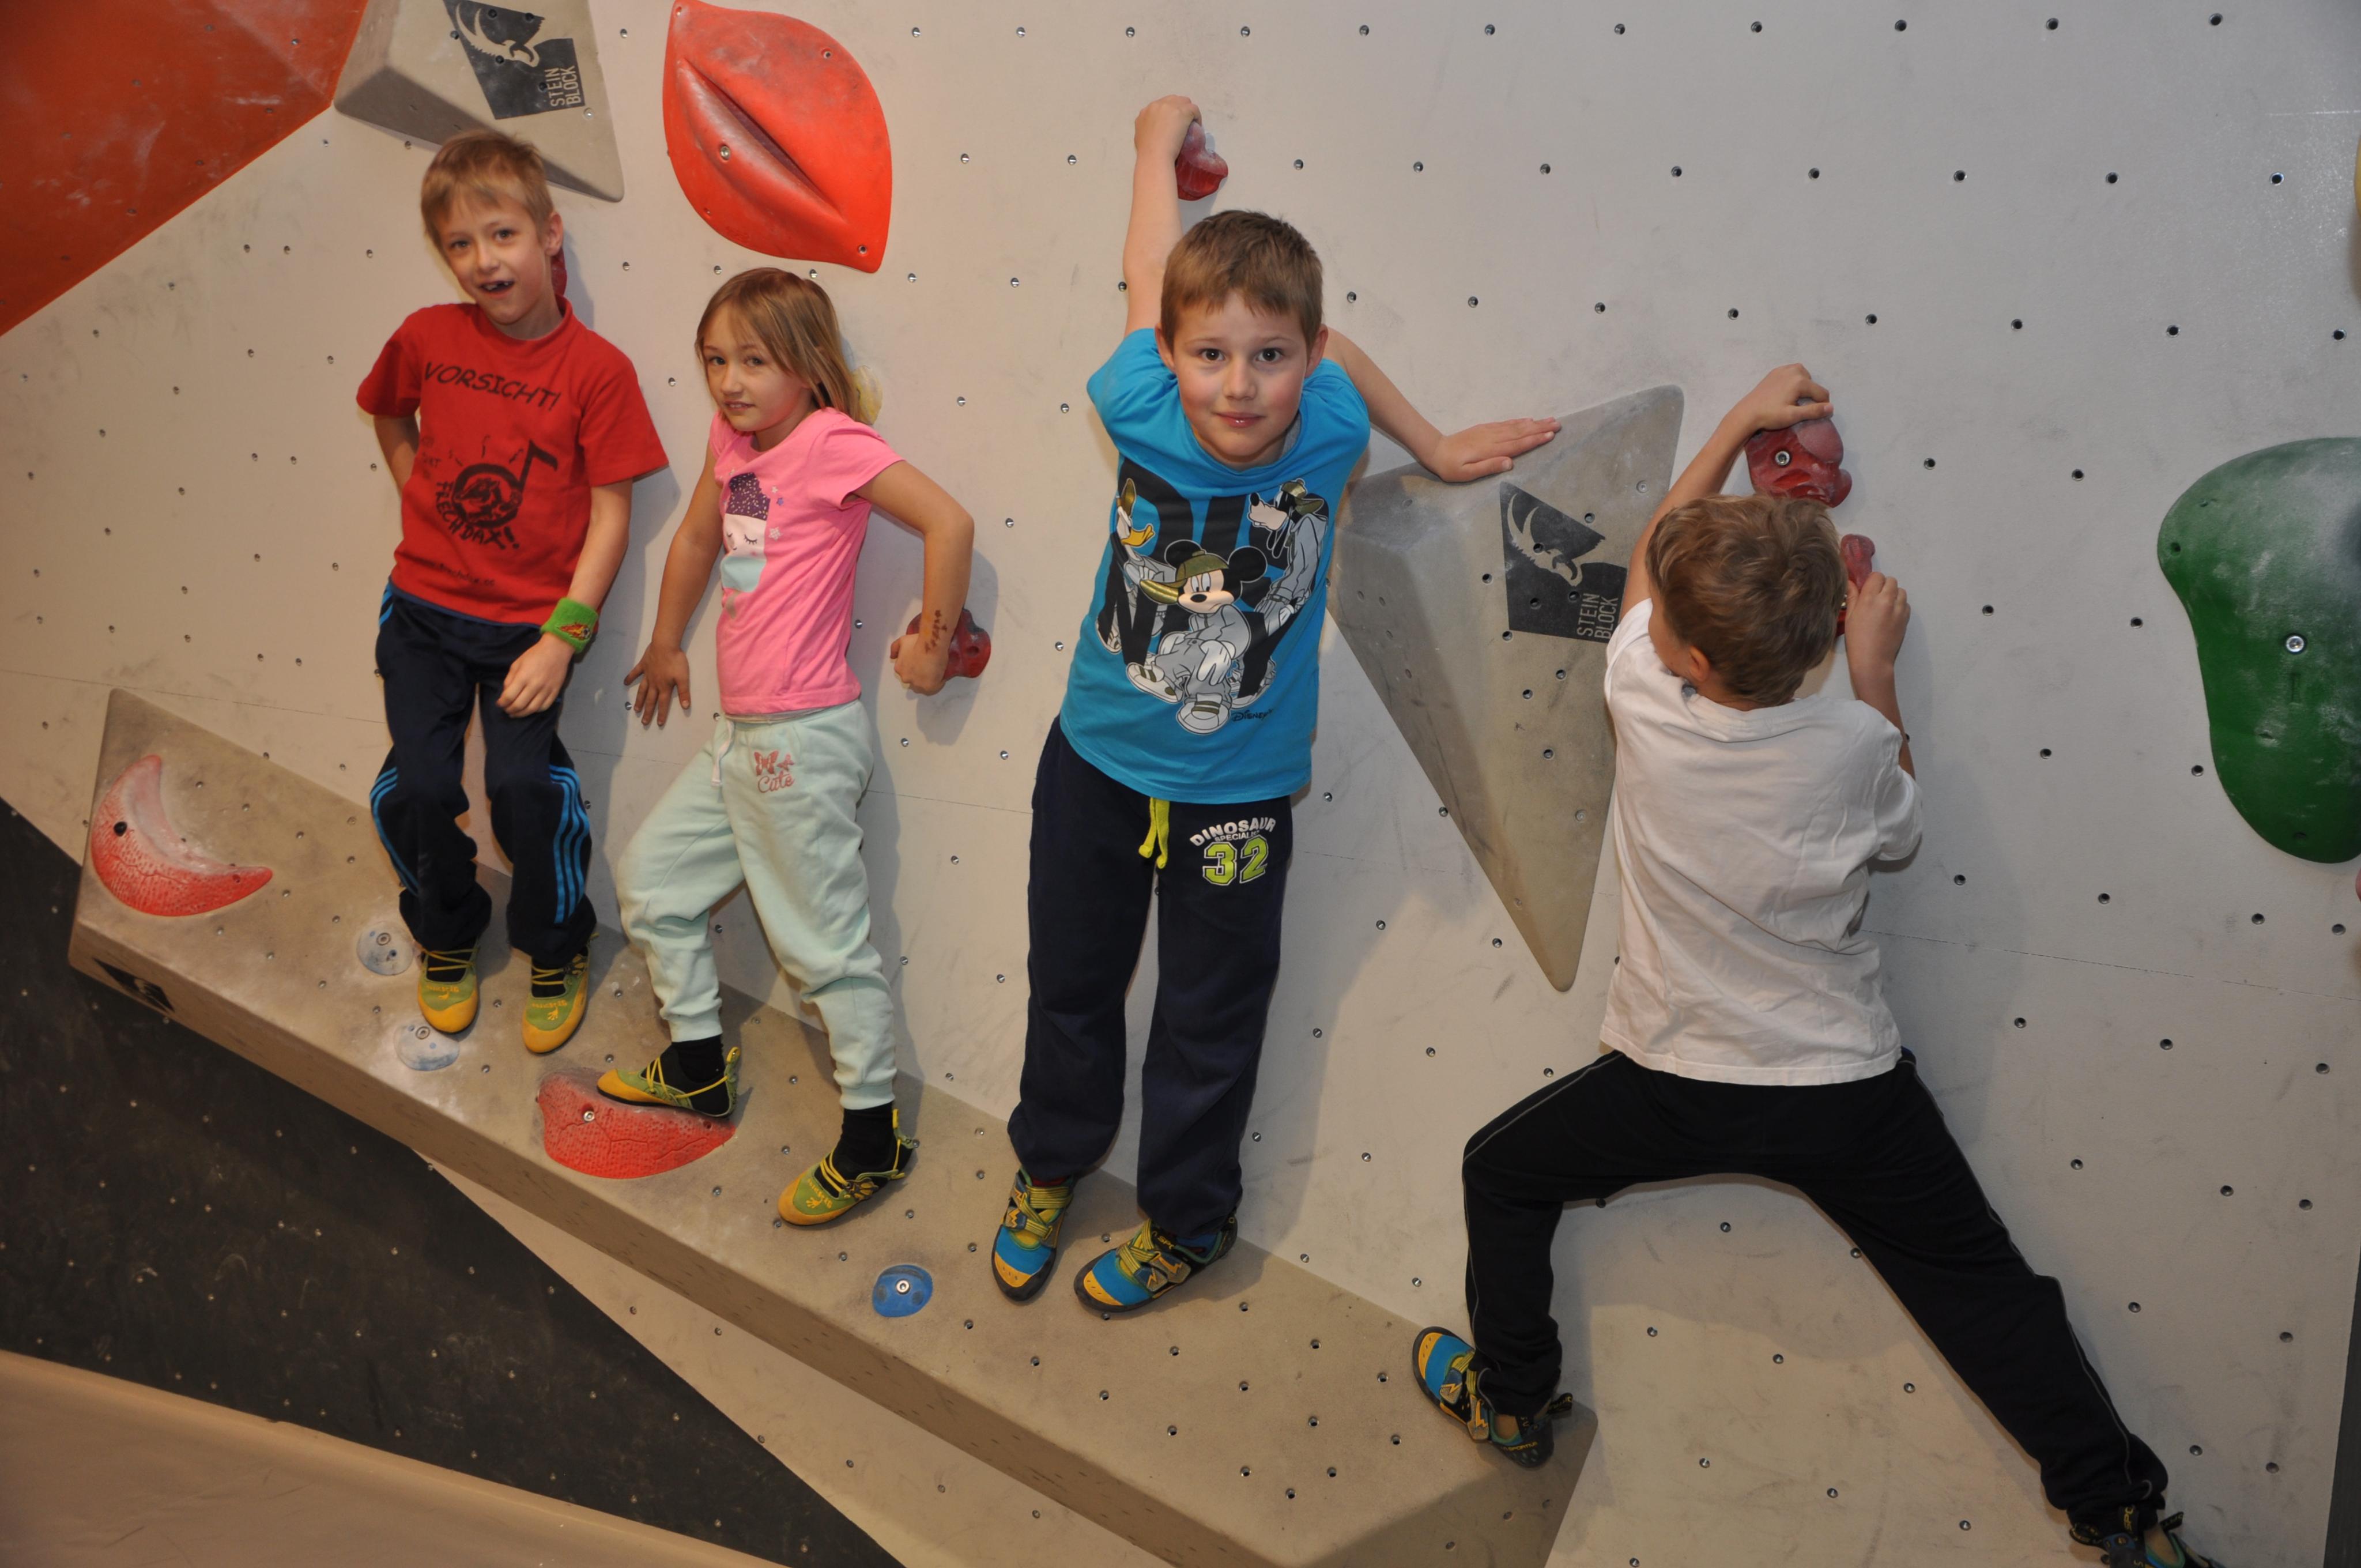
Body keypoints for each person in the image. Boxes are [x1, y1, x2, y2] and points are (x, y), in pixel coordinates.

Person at [1412, 366, 2225, 1568]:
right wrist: (1875, 669)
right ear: (1820, 637)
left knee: (1500, 1170)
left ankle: (1515, 1400)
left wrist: (1737, 423)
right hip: (1845, 1093)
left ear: (1692, 658)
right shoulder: (1849, 741)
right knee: (1986, 1294)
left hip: (1674, 1082)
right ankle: (2122, 1519)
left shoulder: (1643, 698)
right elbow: (1898, 825)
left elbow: (1647, 561)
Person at [989, 95, 1560, 1313]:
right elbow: (1149, 267)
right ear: (1170, 354)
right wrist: (1154, 145)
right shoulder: (1137, 401)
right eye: (1210, 354)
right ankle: (1049, 1167)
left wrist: (1434, 445)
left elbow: (1343, 360)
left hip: (1240, 793)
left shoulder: (1332, 420)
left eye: (1270, 356)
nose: (1239, 387)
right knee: (1072, 985)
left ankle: (1186, 1224)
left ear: (1308, 355)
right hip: (1095, 762)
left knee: (1210, 1023)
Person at [602, 268, 975, 1228]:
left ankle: (873, 1139)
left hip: (802, 741)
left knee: (823, 951)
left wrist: (934, 646)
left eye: (754, 361)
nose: (730, 381)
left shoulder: (830, 442)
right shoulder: (733, 443)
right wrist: (665, 641)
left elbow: (948, 521)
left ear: (808, 366)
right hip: (740, 738)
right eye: (715, 360)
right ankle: (697, 1067)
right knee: (654, 883)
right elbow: (695, 541)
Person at [359, 129, 666, 1055]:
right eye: (461, 244)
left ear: (550, 233)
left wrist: (562, 638)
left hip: (529, 628)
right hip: (422, 613)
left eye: (502, 235)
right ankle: (446, 929)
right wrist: (418, 491)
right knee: (415, 789)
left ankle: (556, 944)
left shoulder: (599, 371)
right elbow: (388, 411)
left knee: (524, 789)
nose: (485, 261)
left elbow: (612, 516)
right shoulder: (427, 336)